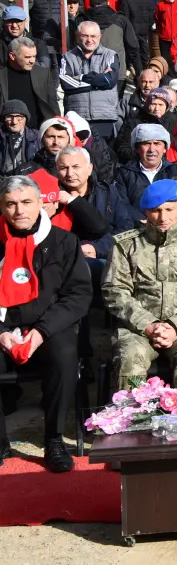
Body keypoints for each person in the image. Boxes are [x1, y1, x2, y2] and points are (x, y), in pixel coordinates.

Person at [0, 174, 92, 472]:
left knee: (65, 354)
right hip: (5, 328)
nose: (19, 211)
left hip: (48, 328)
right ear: (2, 208)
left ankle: (53, 439)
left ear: (41, 202)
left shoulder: (64, 242)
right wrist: (1, 334)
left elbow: (78, 295)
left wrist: (40, 332)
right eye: (10, 204)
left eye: (26, 202)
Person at [101, 179, 177, 392]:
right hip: (136, 329)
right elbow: (115, 291)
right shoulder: (126, 246)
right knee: (130, 362)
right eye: (155, 211)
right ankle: (131, 421)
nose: (163, 217)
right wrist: (148, 324)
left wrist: (175, 327)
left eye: (169, 209)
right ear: (145, 212)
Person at [60, 21, 121, 142]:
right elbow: (65, 82)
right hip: (77, 116)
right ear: (78, 36)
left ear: (99, 37)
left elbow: (110, 81)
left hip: (104, 117)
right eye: (85, 36)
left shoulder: (110, 55)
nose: (89, 40)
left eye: (93, 36)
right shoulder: (67, 57)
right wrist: (98, 82)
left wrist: (81, 77)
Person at [0, 37, 59, 126]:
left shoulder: (42, 73)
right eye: (27, 57)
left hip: (37, 130)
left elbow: (52, 102)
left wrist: (57, 124)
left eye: (34, 56)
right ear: (12, 56)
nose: (32, 61)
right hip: (5, 131)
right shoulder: (1, 74)